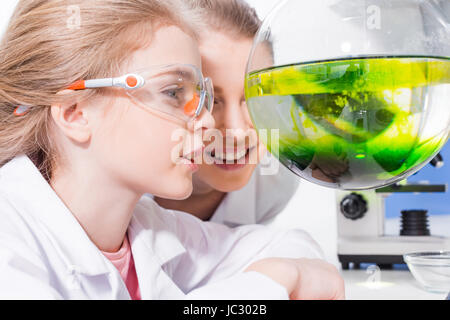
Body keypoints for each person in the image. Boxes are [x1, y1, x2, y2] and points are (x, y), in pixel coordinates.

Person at [0, 0, 344, 300]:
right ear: (75, 112)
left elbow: (289, 246)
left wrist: (288, 272)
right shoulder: (10, 238)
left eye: (200, 96)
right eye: (174, 93)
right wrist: (274, 280)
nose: (208, 121)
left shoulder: (150, 229)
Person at [155, 0, 300, 227]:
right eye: (210, 100)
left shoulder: (274, 182)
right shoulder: (123, 182)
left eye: (255, 96)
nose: (237, 132)